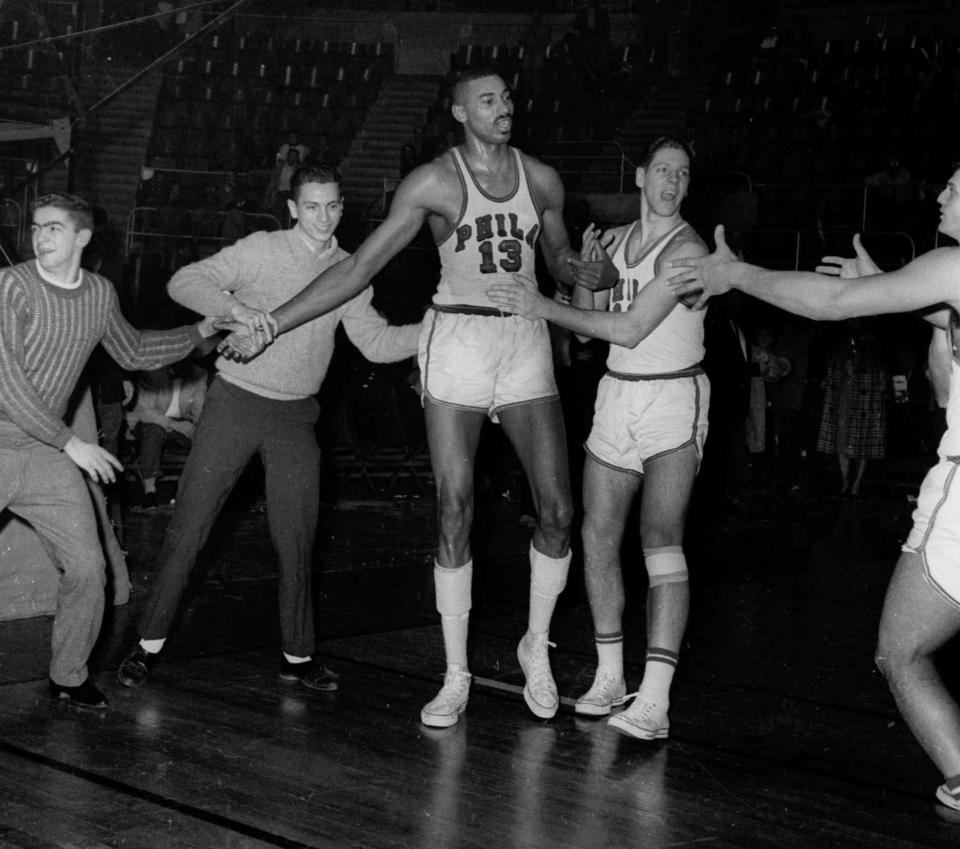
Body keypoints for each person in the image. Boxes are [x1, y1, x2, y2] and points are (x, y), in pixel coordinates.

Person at [220, 68, 604, 728]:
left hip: (524, 338)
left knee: (559, 508)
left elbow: (563, 257)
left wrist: (582, 271)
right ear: (459, 111)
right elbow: (358, 267)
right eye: (489, 99)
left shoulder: (541, 178)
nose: (504, 106)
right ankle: (455, 672)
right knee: (454, 504)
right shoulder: (432, 181)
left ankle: (534, 646)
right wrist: (271, 323)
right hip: (455, 337)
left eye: (509, 96)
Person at [667, 167, 960, 812]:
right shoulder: (946, 285)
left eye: (956, 188)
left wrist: (735, 274)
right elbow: (935, 328)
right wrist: (886, 289)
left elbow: (827, 305)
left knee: (901, 652)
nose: (939, 195)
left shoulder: (953, 266)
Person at [116, 164, 420, 695]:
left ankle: (298, 657)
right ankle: (145, 646)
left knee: (296, 538)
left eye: (332, 206)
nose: (323, 217)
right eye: (312, 206)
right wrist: (236, 309)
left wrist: (438, 327)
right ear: (293, 209)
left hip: (295, 417)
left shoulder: (351, 271)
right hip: (234, 403)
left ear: (343, 207)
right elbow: (183, 280)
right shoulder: (262, 248)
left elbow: (376, 344)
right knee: (190, 527)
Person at [488, 137, 709, 740]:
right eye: (662, 170)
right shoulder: (614, 240)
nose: (671, 182)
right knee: (597, 536)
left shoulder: (687, 249)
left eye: (682, 174)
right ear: (640, 176)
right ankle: (611, 674)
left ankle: (655, 700)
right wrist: (587, 278)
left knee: (660, 539)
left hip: (671, 394)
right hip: (618, 395)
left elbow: (632, 329)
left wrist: (541, 304)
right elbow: (592, 328)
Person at [0, 192, 226, 710]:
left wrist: (200, 331)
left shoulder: (99, 295)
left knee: (87, 567)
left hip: (44, 454)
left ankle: (68, 675)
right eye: (36, 227)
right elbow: (7, 384)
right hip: (21, 439)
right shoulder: (10, 286)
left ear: (82, 237)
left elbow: (134, 350)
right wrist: (72, 442)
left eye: (53, 228)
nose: (40, 237)